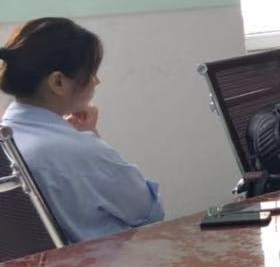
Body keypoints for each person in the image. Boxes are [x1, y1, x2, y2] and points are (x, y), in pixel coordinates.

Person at [0, 18, 163, 243]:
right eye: (90, 73)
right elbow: (147, 212)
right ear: (58, 82)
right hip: (97, 264)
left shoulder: (8, 145)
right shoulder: (80, 152)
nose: (97, 81)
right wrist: (90, 140)